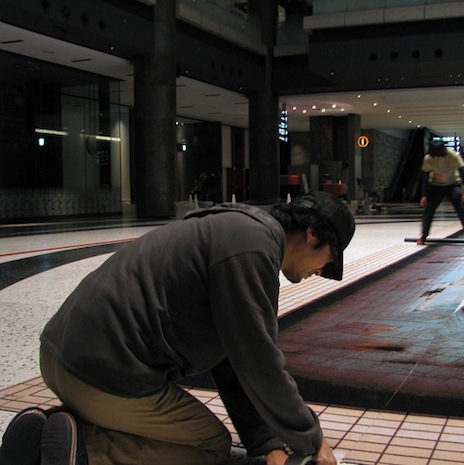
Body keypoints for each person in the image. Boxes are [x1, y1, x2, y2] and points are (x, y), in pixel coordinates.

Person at [0, 191, 355, 465]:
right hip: (102, 375)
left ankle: (46, 431)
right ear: (311, 234)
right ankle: (87, 452)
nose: (322, 271)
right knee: (210, 445)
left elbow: (232, 359)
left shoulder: (236, 229)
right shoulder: (252, 249)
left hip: (60, 357)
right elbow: (259, 360)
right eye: (329, 261)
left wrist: (266, 442)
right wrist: (311, 437)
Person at [416, 140, 464, 246]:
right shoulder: (428, 159)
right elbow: (425, 177)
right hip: (436, 186)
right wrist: (424, 195)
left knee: (462, 210)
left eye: (439, 156)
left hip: (453, 184)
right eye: (435, 156)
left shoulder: (453, 155)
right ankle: (423, 236)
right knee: (429, 210)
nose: (437, 158)